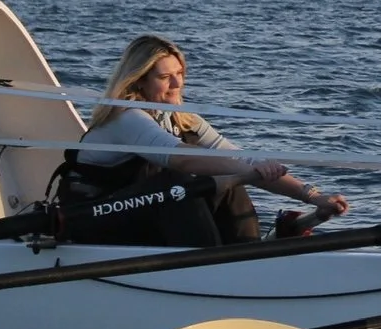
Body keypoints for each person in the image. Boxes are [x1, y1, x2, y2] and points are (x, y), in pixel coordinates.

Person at [63, 34, 349, 244]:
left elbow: (242, 158)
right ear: (139, 81)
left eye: (179, 74)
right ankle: (214, 268)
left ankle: (248, 256)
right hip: (96, 220)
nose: (177, 84)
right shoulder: (125, 117)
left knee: (228, 181)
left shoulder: (184, 120)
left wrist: (314, 197)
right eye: (165, 78)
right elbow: (181, 158)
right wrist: (244, 171)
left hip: (146, 218)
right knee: (187, 181)